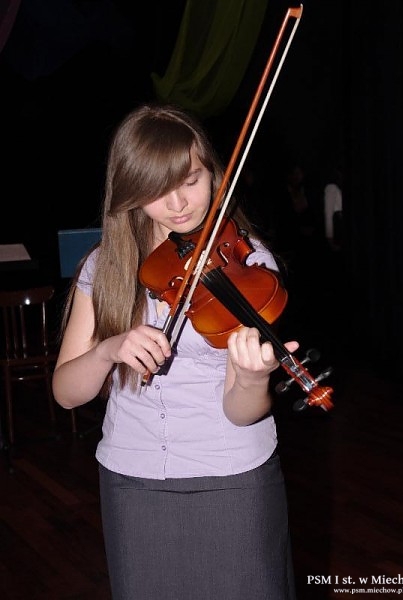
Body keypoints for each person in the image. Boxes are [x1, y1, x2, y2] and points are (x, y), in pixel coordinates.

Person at [52, 103, 299, 600]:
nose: (180, 203)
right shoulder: (104, 267)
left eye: (191, 180)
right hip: (133, 483)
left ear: (212, 173)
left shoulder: (247, 264)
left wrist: (254, 378)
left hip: (232, 478)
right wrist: (107, 351)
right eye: (157, 189)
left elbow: (241, 411)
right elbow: (66, 393)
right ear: (130, 191)